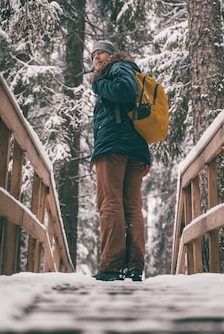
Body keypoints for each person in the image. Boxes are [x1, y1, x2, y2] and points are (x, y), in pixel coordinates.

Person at [89, 39, 150, 282]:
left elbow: (124, 91)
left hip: (114, 145)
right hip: (134, 146)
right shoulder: (125, 69)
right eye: (94, 55)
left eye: (101, 53)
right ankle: (134, 266)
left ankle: (112, 266)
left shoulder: (119, 67)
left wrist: (97, 84)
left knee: (110, 203)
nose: (97, 58)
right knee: (131, 205)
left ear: (112, 55)